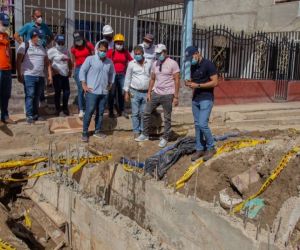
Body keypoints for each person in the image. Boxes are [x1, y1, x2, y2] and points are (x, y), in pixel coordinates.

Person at [135, 44, 180, 148]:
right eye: (157, 53)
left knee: (167, 117)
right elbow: (152, 79)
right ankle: (145, 134)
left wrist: (176, 96)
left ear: (165, 52)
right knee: (146, 112)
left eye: (160, 53)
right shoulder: (155, 63)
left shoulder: (173, 63)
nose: (158, 55)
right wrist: (149, 92)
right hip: (156, 93)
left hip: (168, 94)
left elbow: (177, 80)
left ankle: (165, 137)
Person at [184, 46, 218, 162]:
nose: (190, 60)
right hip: (196, 99)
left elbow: (215, 82)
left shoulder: (209, 64)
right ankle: (200, 148)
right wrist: (190, 83)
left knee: (203, 124)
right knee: (197, 125)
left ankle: (211, 147)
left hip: (206, 99)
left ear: (197, 53)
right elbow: (196, 82)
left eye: (191, 57)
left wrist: (198, 85)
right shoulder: (193, 66)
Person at [14, 9, 53, 108]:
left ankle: (41, 99)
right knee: (29, 83)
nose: (40, 18)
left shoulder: (44, 26)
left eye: (41, 16)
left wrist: (45, 44)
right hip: (29, 55)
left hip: (41, 53)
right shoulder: (28, 26)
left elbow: (51, 36)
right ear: (33, 17)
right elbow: (16, 35)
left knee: (40, 78)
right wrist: (23, 44)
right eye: (37, 16)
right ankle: (29, 106)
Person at [79, 40, 115, 142]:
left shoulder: (109, 62)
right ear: (97, 49)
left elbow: (112, 73)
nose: (102, 52)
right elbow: (82, 70)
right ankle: (85, 133)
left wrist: (111, 84)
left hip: (103, 92)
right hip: (92, 92)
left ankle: (97, 131)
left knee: (100, 112)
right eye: (101, 50)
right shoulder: (90, 59)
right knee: (89, 112)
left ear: (107, 51)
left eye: (105, 50)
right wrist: (84, 84)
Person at [16, 28, 50, 124]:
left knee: (37, 96)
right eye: (38, 37)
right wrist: (19, 74)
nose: (40, 39)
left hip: (40, 76)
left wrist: (48, 76)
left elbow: (47, 62)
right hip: (29, 76)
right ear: (33, 36)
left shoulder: (42, 47)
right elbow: (18, 61)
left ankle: (35, 115)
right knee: (30, 95)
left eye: (41, 37)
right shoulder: (25, 45)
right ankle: (29, 115)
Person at [124, 45, 152, 138]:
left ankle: (143, 131)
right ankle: (136, 131)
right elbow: (127, 78)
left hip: (146, 92)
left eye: (138, 54)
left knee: (144, 113)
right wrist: (126, 92)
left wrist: (151, 91)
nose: (137, 56)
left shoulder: (149, 63)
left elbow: (152, 77)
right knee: (135, 113)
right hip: (134, 91)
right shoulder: (131, 63)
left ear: (143, 53)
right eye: (135, 54)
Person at [107, 33, 132, 118]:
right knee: (112, 93)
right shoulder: (111, 52)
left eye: (121, 43)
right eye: (118, 43)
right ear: (114, 43)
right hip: (113, 75)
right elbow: (106, 61)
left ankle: (122, 110)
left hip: (122, 75)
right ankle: (111, 111)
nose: (119, 45)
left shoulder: (125, 52)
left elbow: (131, 61)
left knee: (122, 93)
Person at [71, 31, 94, 118]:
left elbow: (93, 56)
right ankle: (81, 109)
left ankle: (89, 108)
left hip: (88, 68)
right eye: (76, 40)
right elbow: (73, 60)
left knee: (89, 88)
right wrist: (73, 71)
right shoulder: (73, 48)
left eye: (79, 39)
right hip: (78, 69)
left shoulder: (88, 45)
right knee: (81, 89)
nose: (78, 41)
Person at [47, 35, 72, 116]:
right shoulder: (51, 51)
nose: (61, 44)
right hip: (57, 75)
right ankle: (58, 109)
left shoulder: (66, 50)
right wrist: (51, 73)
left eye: (62, 42)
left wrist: (70, 70)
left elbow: (69, 60)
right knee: (58, 92)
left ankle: (65, 108)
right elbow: (48, 63)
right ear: (55, 42)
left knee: (67, 92)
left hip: (65, 74)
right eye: (59, 42)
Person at [0, 13, 15, 126]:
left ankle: (5, 116)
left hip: (7, 69)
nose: (4, 26)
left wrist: (10, 65)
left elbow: (9, 51)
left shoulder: (5, 36)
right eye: (3, 23)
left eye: (6, 24)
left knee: (6, 94)